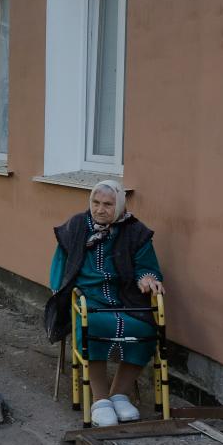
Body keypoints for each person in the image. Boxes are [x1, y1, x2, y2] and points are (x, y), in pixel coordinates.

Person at [48, 180, 166, 427]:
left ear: (120, 206)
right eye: (96, 203)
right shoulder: (77, 226)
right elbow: (60, 263)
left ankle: (119, 394)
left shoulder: (135, 231)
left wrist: (147, 278)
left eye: (108, 204)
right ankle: (100, 399)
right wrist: (58, 292)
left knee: (145, 328)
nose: (100, 209)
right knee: (92, 324)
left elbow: (147, 265)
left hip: (125, 295)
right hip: (87, 295)